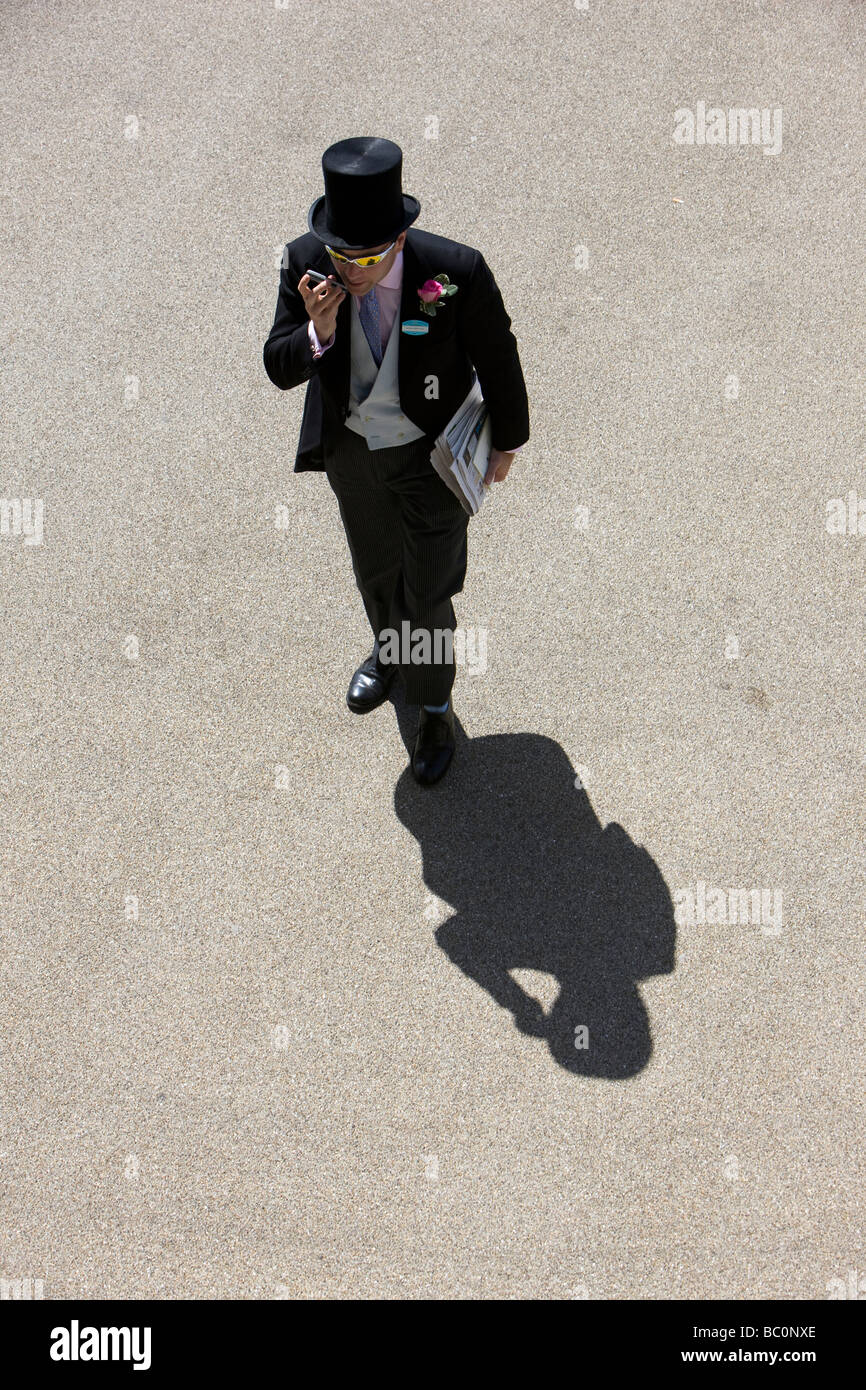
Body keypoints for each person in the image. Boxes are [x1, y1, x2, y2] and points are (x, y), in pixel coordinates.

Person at [263, 136, 529, 785]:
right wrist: (317, 335)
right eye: (340, 254)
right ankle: (390, 655)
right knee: (376, 573)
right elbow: (276, 362)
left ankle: (434, 707)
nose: (349, 271)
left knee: (429, 591)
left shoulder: (456, 271)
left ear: (401, 241)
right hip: (353, 454)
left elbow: (497, 353)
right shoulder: (306, 267)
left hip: (429, 457)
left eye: (366, 258)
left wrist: (508, 440)